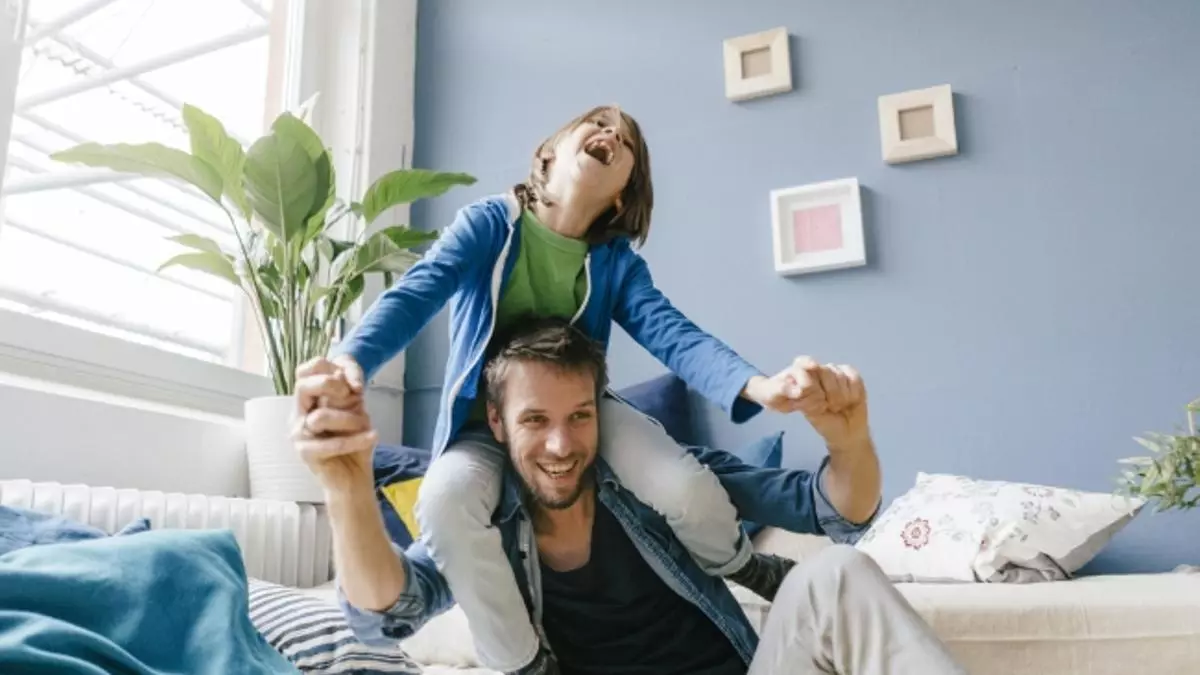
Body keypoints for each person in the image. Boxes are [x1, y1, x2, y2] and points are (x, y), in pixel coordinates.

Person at [301, 105, 851, 673]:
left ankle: (747, 567)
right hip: (484, 426)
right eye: (598, 123)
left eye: (626, 140)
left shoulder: (615, 264)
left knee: (684, 484)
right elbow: (419, 291)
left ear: (621, 194)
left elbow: (673, 334)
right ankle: (525, 663)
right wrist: (351, 361)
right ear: (548, 154)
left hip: (580, 411)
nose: (611, 133)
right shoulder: (488, 226)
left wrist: (758, 386)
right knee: (443, 500)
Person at [293, 317, 966, 675]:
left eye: (579, 416)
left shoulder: (661, 486)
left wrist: (849, 441)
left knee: (837, 572)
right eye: (535, 420)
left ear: (602, 413)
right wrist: (347, 488)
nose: (561, 444)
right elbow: (388, 615)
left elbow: (835, 509)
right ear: (496, 423)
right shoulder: (483, 523)